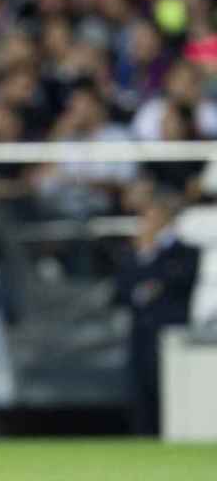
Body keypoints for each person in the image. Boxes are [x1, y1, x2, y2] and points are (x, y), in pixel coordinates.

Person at [114, 186, 199, 436]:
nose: (145, 223)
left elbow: (179, 282)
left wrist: (154, 283)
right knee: (140, 390)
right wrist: (144, 254)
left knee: (170, 390)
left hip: (170, 332)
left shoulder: (185, 251)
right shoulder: (136, 254)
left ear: (164, 217)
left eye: (150, 216)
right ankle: (144, 438)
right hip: (141, 332)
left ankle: (172, 435)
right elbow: (122, 290)